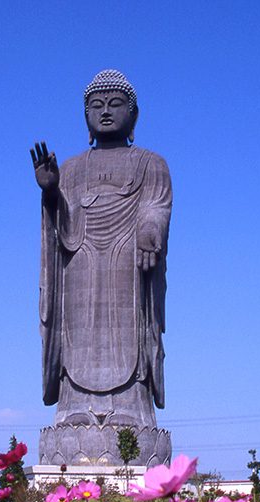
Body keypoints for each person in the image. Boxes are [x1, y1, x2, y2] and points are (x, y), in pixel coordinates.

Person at [32, 70, 172, 429]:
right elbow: (61, 226)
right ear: (86, 117)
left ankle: (132, 410)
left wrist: (149, 229)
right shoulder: (72, 168)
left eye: (115, 104)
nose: (106, 112)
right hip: (80, 264)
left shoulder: (150, 164)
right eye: (96, 106)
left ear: (134, 115)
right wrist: (50, 192)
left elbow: (156, 206)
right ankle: (72, 407)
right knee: (76, 332)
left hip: (128, 262)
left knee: (130, 331)